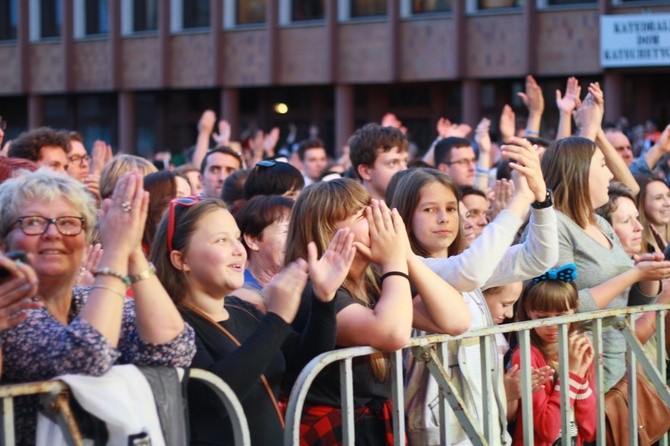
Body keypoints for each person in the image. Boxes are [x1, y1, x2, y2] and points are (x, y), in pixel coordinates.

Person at [0, 169, 195, 444]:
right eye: (33, 222)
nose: (53, 233)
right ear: (4, 245)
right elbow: (87, 356)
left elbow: (175, 348)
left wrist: (132, 252)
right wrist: (114, 253)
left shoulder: (86, 299)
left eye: (68, 223)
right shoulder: (10, 311)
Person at [390, 136, 559, 446]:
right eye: (429, 209)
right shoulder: (406, 270)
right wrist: (518, 200)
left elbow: (540, 257)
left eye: (451, 209)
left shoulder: (461, 263)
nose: (443, 218)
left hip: (484, 422)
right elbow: (470, 273)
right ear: (402, 217)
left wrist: (540, 198)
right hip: (440, 431)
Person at [285, 178, 469, 445]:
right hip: (336, 429)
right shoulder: (313, 290)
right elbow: (392, 334)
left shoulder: (375, 279)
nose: (377, 220)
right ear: (329, 230)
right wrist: (393, 261)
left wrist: (405, 255)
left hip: (372, 425)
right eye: (363, 215)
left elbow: (457, 320)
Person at [150, 196, 345, 446]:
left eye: (236, 237)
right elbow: (215, 397)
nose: (238, 249)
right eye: (221, 240)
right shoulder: (171, 325)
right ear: (181, 259)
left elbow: (309, 360)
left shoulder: (243, 311)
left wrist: (324, 298)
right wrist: (277, 318)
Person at [539, 135, 670, 391]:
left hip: (618, 364)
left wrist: (648, 275)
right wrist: (632, 275)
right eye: (602, 165)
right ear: (579, 173)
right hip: (579, 370)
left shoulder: (601, 224)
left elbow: (635, 304)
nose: (610, 174)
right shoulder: (553, 225)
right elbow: (562, 305)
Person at [511, 266, 596, 446]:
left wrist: (580, 374)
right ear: (528, 311)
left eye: (561, 315)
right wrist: (572, 374)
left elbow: (591, 429)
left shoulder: (578, 349)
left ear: (574, 309)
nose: (552, 324)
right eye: (543, 317)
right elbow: (547, 430)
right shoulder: (525, 356)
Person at [233, 195, 294, 312]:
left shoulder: (305, 285)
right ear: (253, 240)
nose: (296, 239)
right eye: (286, 231)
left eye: (297, 230)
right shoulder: (241, 296)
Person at [348, 123, 409, 200]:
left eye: (405, 161)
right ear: (365, 171)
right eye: (392, 163)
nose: (404, 169)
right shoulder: (346, 211)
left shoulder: (414, 209)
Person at [142, 170, 192, 254]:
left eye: (190, 198)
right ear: (156, 201)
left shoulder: (186, 247)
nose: (189, 205)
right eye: (179, 197)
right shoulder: (134, 252)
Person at [636, 175, 670, 254]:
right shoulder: (636, 245)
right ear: (642, 204)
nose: (668, 203)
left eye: (669, 195)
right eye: (658, 198)